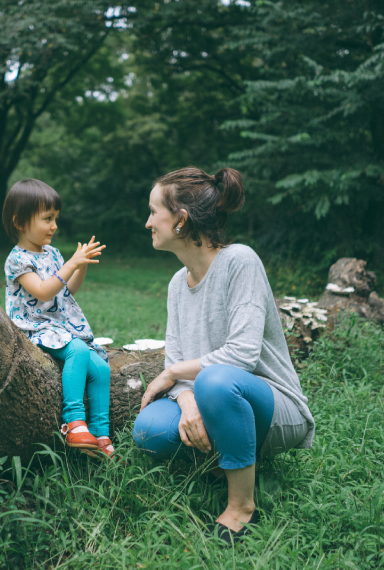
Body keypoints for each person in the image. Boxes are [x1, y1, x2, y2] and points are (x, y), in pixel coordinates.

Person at [132, 166, 315, 545]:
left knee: (215, 381)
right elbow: (177, 360)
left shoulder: (240, 261)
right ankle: (225, 457)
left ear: (181, 220)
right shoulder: (176, 284)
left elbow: (242, 356)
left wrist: (174, 375)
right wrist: (185, 400)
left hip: (274, 404)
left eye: (154, 212)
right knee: (149, 429)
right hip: (215, 394)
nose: (148, 222)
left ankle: (241, 506)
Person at [2, 179, 114, 458]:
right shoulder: (17, 259)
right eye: (47, 219)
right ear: (20, 221)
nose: (54, 226)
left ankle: (101, 433)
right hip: (32, 326)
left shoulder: (53, 254)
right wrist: (71, 264)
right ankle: (74, 422)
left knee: (100, 368)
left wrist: (80, 267)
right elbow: (42, 291)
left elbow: (66, 290)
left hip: (57, 326)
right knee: (77, 349)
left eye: (56, 219)